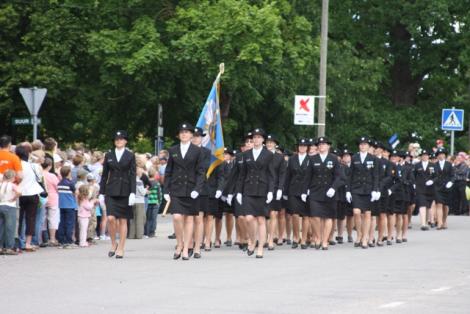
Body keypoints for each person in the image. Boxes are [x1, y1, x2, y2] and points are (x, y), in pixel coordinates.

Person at [164, 123, 205, 260]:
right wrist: (166, 190)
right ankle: (179, 244)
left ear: (191, 135)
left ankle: (187, 248)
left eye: (187, 132)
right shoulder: (173, 149)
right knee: (176, 217)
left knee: (189, 219)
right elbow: (169, 171)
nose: (184, 134)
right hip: (176, 188)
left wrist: (197, 189)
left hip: (191, 189)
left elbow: (201, 172)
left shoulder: (197, 151)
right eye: (182, 132)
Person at [236, 128, 275, 258]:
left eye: (259, 137)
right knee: (248, 218)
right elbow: (242, 174)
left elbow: (271, 175)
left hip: (262, 190)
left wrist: (271, 191)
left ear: (263, 140)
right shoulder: (246, 154)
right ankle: (252, 240)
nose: (256, 139)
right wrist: (239, 192)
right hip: (248, 189)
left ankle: (260, 248)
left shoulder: (269, 155)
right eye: (254, 137)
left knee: (261, 220)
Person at [99, 130, 136, 259]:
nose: (118, 141)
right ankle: (113, 243)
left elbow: (132, 175)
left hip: (125, 190)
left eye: (121, 139)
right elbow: (104, 175)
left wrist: (133, 192)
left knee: (123, 220)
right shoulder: (109, 155)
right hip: (111, 190)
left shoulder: (130, 155)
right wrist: (101, 192)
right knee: (110, 218)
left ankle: (121, 247)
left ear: (125, 141)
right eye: (116, 139)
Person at [303, 137, 343, 250]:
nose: (321, 146)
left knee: (328, 217)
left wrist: (334, 188)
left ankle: (325, 240)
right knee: (315, 216)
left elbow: (339, 177)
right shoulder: (312, 159)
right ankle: (318, 237)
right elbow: (308, 176)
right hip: (315, 191)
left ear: (328, 146)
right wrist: (305, 190)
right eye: (319, 144)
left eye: (324, 144)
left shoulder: (334, 159)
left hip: (329, 192)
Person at [346, 137, 380, 249]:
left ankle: (365, 237)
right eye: (361, 144)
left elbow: (375, 176)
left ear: (368, 146)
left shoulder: (373, 158)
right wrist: (348, 191)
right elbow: (350, 175)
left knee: (367, 214)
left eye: (365, 144)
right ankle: (359, 234)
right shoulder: (354, 158)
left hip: (368, 189)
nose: (362, 146)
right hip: (356, 189)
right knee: (356, 212)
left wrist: (375, 190)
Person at [16, 145, 44, 252]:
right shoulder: (34, 166)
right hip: (32, 193)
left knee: (19, 218)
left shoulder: (16, 165)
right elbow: (40, 177)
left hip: (19, 193)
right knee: (30, 219)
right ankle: (28, 243)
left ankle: (18, 241)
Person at [284, 138, 310, 249]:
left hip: (306, 190)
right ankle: (296, 237)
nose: (302, 147)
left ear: (307, 148)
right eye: (300, 145)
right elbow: (287, 175)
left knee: (305, 216)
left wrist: (309, 189)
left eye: (304, 146)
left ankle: (303, 239)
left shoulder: (311, 159)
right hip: (293, 190)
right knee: (294, 214)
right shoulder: (292, 159)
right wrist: (285, 191)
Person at [265, 134, 285, 250]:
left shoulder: (280, 157)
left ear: (275, 144)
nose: (269, 144)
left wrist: (280, 189)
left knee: (273, 214)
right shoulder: (261, 155)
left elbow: (282, 175)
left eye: (271, 142)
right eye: (267, 142)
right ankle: (263, 238)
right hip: (262, 188)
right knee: (263, 216)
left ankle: (270, 238)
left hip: (275, 188)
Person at [413, 149, 436, 231]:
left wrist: (432, 181)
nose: (424, 156)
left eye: (426, 155)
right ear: (421, 156)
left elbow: (436, 176)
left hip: (430, 189)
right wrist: (414, 184)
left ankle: (425, 222)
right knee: (422, 204)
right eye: (423, 155)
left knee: (427, 206)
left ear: (428, 156)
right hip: (420, 188)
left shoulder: (433, 165)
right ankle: (423, 224)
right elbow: (413, 176)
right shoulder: (417, 165)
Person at [0, 169, 21, 255]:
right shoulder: (12, 185)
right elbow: (19, 192)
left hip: (0, 205)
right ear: (12, 177)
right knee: (10, 228)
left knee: (1, 227)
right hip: (10, 206)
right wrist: (14, 198)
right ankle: (9, 247)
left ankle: (0, 247)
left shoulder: (0, 184)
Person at [433, 147, 454, 230]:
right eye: (439, 154)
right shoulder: (434, 165)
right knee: (439, 204)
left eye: (442, 154)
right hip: (437, 187)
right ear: (437, 156)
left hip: (447, 187)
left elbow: (453, 175)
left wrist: (451, 182)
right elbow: (432, 175)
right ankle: (439, 223)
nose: (441, 156)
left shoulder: (449, 164)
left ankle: (444, 220)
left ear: (445, 155)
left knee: (445, 206)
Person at [57, 166, 77, 248]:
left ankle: (61, 240)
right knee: (69, 223)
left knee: (62, 222)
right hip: (70, 205)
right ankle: (69, 240)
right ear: (69, 173)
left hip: (61, 205)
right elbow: (75, 193)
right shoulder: (70, 183)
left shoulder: (59, 183)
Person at [42, 157, 60, 246]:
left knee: (43, 218)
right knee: (53, 218)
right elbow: (58, 187)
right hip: (53, 198)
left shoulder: (39, 174)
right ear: (49, 166)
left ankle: (43, 238)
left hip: (42, 198)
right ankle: (52, 238)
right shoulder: (52, 176)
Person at [128, 165, 147, 239]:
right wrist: (146, 190)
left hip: (132, 201)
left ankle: (131, 235)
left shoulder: (130, 180)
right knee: (140, 219)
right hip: (140, 201)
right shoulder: (139, 181)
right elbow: (142, 192)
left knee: (132, 219)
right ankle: (139, 235)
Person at [144, 167, 162, 238]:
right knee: (153, 218)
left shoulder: (146, 183)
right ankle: (152, 232)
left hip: (148, 202)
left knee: (147, 218)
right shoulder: (157, 183)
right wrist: (159, 201)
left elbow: (145, 192)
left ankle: (146, 232)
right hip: (155, 202)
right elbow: (159, 193)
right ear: (155, 174)